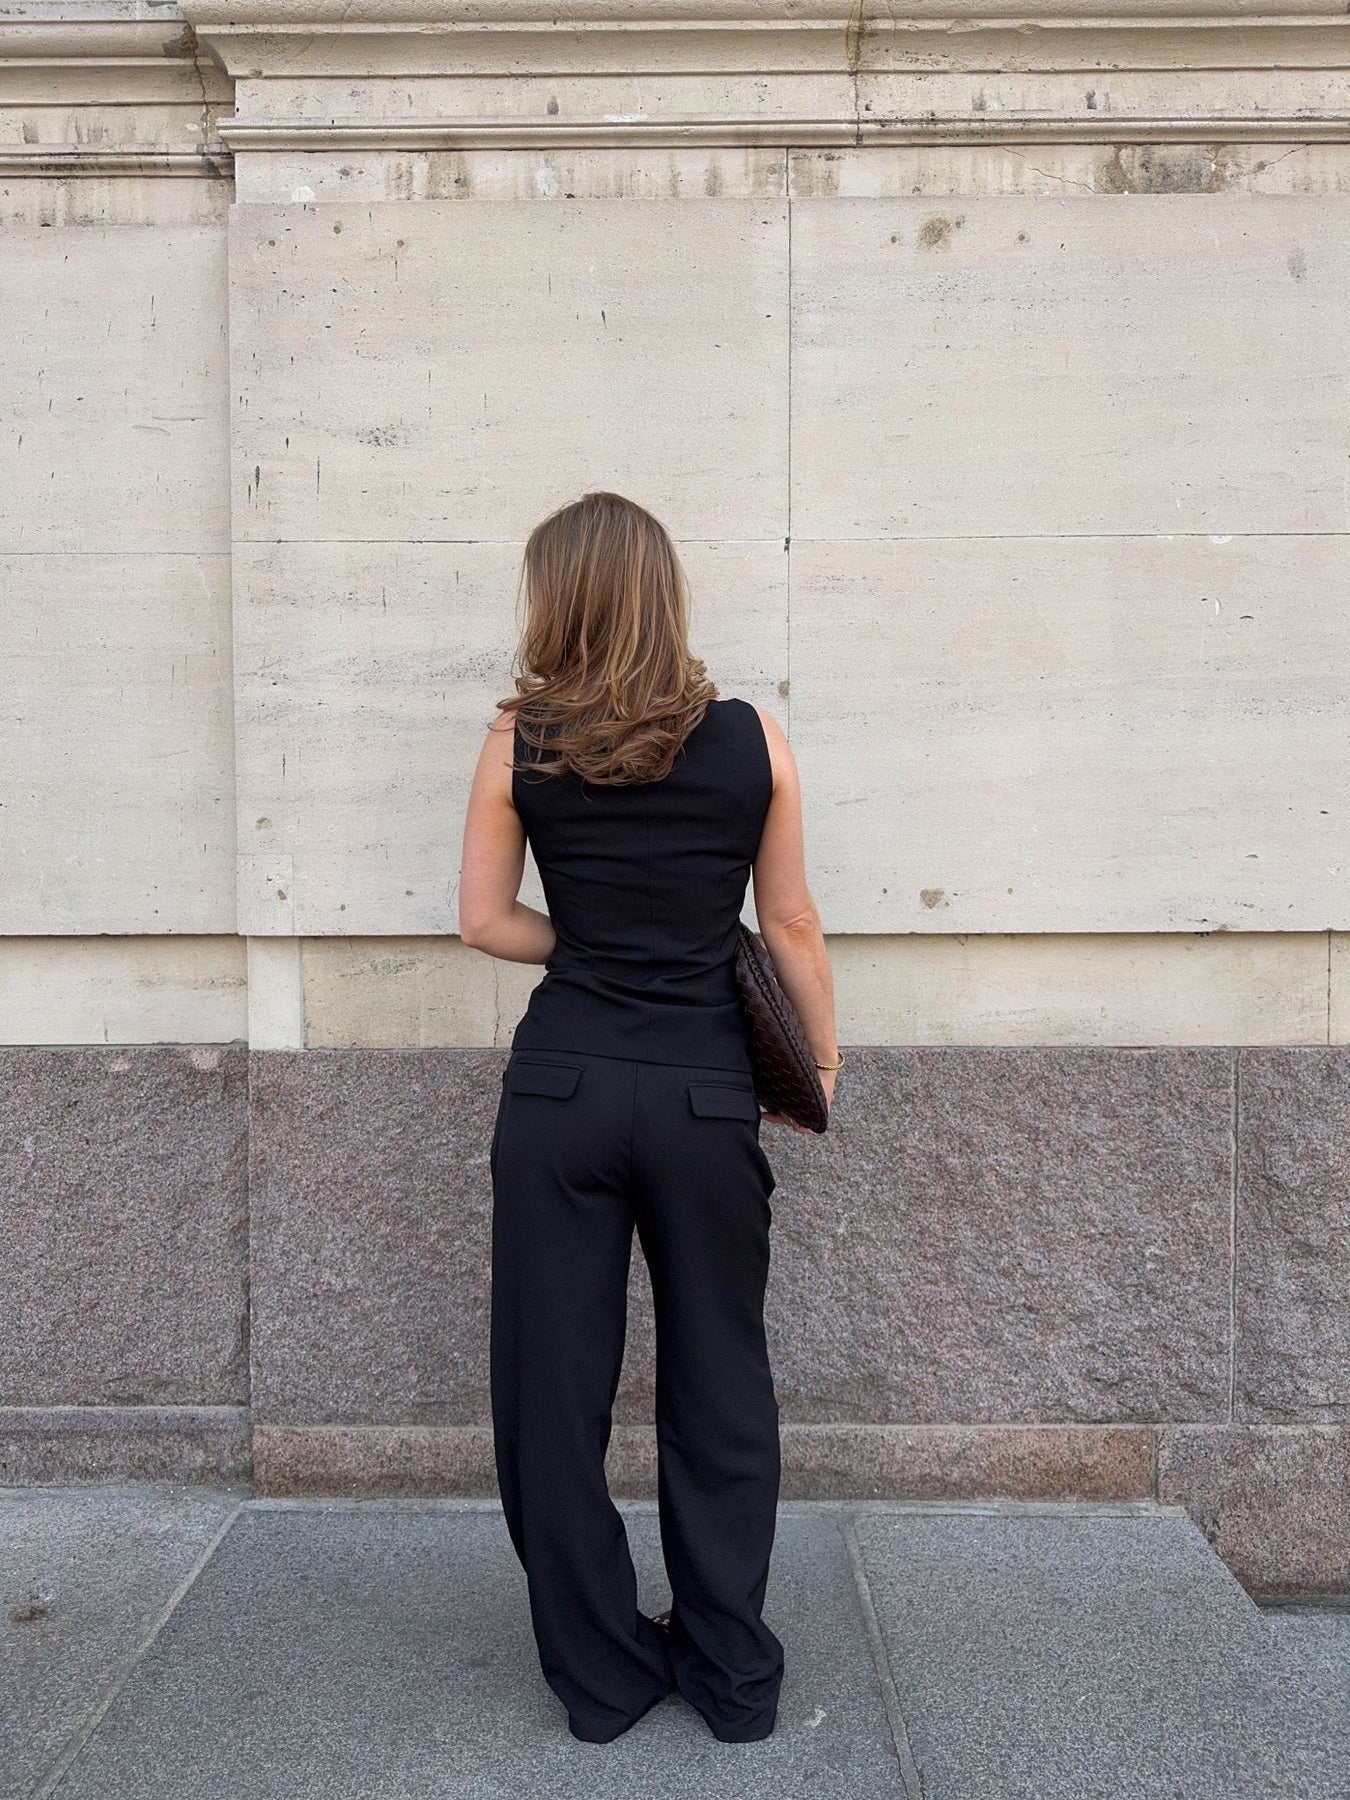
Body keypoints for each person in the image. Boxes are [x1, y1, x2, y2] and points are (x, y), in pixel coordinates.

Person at [458, 490, 842, 1746]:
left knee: (552, 1391)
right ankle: (731, 1675)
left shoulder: (518, 739)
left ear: (557, 598)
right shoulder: (753, 739)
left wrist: (593, 946)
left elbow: (484, 921)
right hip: (702, 1093)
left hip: (560, 1092)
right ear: (662, 592)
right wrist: (819, 1065)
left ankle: (604, 1675)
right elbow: (790, 924)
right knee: (719, 1379)